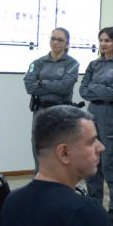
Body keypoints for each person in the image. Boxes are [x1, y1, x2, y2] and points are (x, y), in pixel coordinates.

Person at [79, 26, 113, 221]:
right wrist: (103, 89)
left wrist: (97, 88)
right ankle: (94, 203)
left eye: (107, 40)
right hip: (93, 113)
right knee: (92, 160)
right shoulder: (93, 65)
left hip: (111, 114)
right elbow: (83, 91)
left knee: (111, 162)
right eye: (101, 40)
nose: (103, 44)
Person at [23, 27, 80, 170]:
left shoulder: (72, 64)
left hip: (61, 113)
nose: (55, 42)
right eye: (53, 38)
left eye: (60, 40)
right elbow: (29, 86)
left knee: (60, 151)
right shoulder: (38, 63)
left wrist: (42, 82)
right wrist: (54, 85)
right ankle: (40, 182)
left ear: (67, 43)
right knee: (39, 149)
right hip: (40, 112)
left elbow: (65, 87)